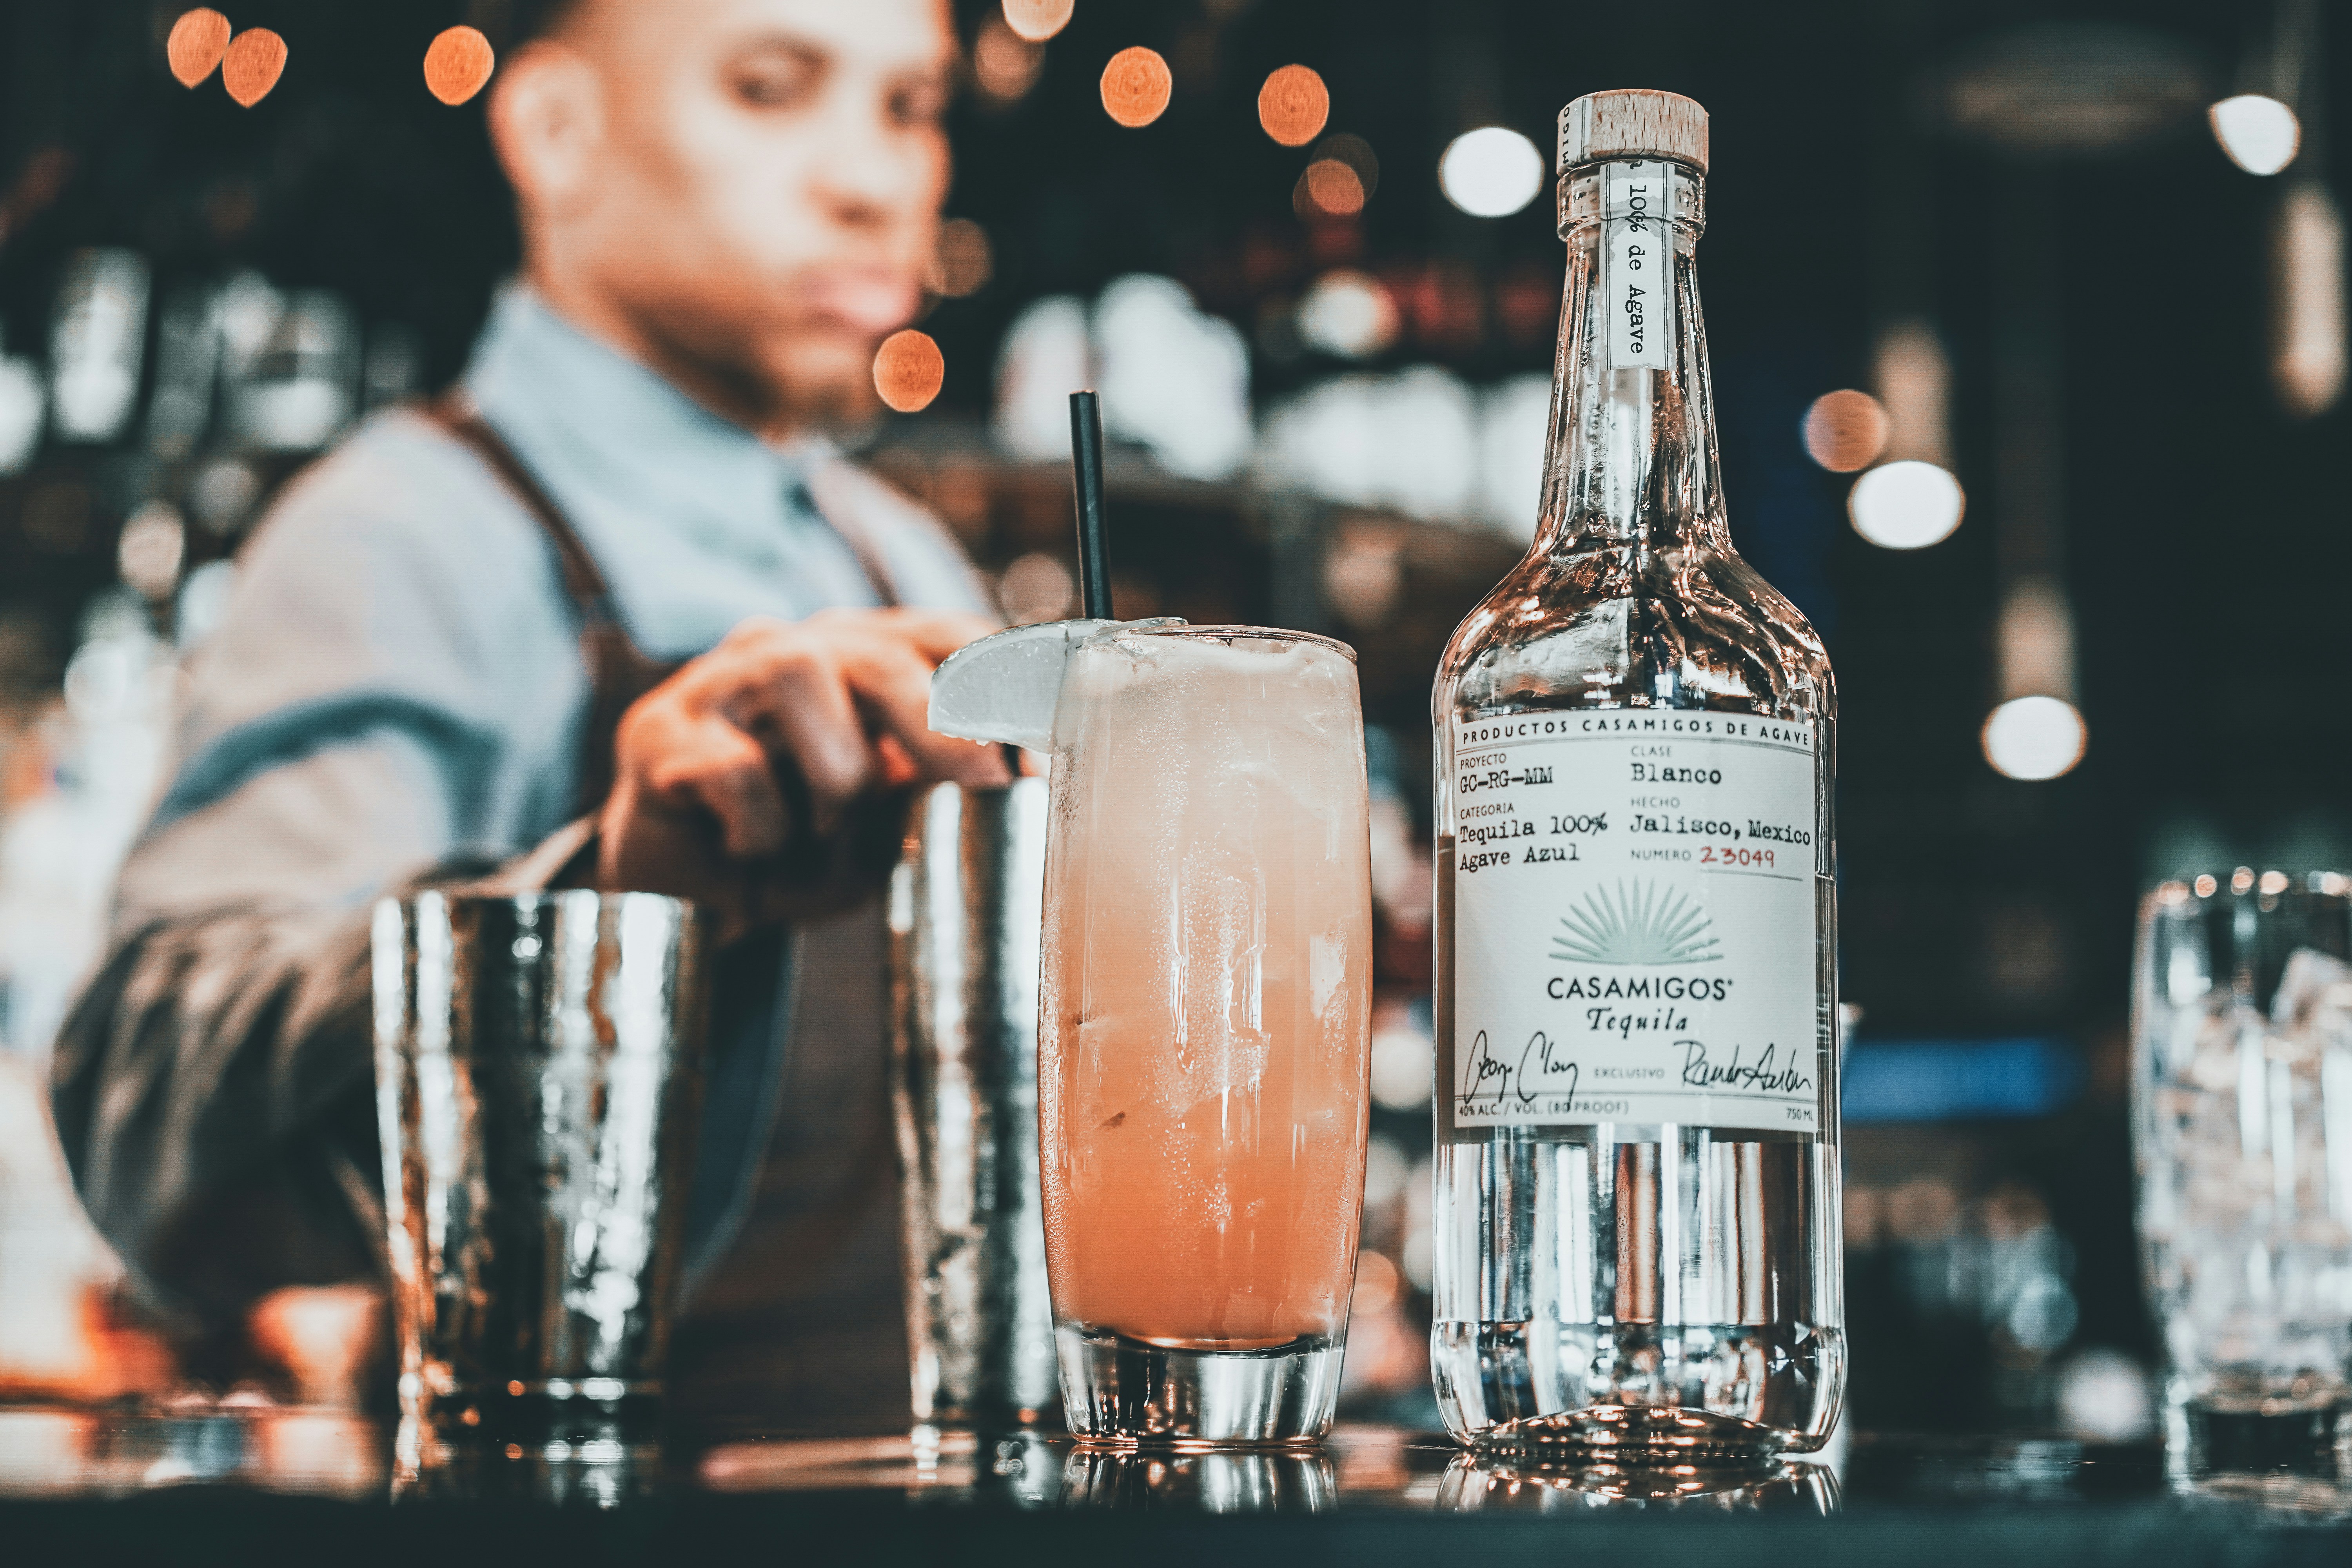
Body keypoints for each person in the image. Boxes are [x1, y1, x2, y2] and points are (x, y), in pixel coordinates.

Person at [50, 0, 1008, 1429]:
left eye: (909, 106)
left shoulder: (903, 559)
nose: (873, 180)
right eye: (771, 88)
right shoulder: (407, 532)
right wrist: (608, 902)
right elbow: (153, 1117)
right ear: (558, 131)